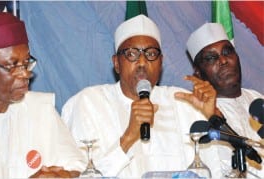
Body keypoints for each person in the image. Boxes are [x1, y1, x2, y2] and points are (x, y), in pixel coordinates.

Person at [61, 14, 223, 177]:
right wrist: (128, 137)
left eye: (151, 54)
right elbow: (79, 175)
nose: (142, 63)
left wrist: (214, 116)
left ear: (161, 63)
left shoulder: (183, 102)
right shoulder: (87, 103)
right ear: (117, 63)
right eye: (132, 54)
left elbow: (218, 169)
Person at [0, 12, 86, 178]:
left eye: (26, 63)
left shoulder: (40, 109)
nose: (25, 74)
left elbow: (76, 165)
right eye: (13, 65)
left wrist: (64, 175)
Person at [187, 22, 264, 177]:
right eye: (211, 58)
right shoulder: (195, 115)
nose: (223, 61)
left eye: (227, 51)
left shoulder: (258, 100)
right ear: (198, 73)